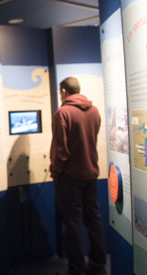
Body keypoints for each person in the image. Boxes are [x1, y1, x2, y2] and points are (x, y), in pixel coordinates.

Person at [49, 77, 106, 275]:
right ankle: (98, 265)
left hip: (70, 177)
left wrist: (56, 171)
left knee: (72, 224)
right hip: (91, 173)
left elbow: (60, 149)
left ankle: (76, 269)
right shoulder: (94, 111)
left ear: (64, 91)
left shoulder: (62, 113)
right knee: (94, 220)